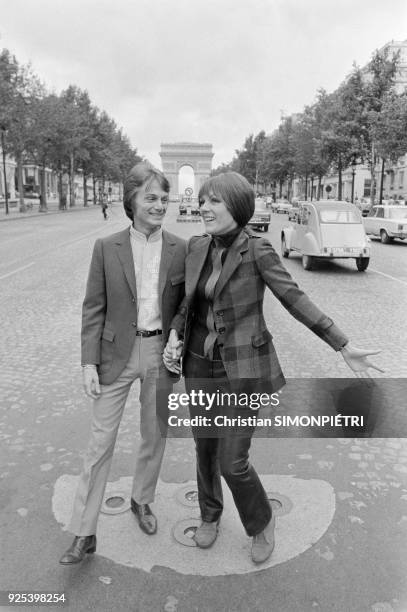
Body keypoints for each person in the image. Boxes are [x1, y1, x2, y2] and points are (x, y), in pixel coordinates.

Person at [163, 171, 382, 565]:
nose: (204, 207)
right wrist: (176, 334)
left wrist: (342, 344)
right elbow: (186, 303)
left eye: (214, 201)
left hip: (245, 369)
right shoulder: (196, 247)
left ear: (237, 206)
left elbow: (294, 298)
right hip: (199, 364)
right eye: (204, 200)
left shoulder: (258, 250)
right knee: (204, 448)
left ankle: (261, 521)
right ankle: (209, 515)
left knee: (232, 460)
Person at [59, 163, 186, 565]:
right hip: (115, 354)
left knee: (154, 436)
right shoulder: (105, 247)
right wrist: (88, 363)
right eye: (150, 197)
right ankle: (84, 530)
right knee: (99, 444)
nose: (159, 205)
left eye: (164, 199)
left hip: (159, 353)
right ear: (131, 200)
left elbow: (186, 304)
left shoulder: (182, 249)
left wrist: (179, 338)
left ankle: (142, 501)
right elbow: (93, 308)